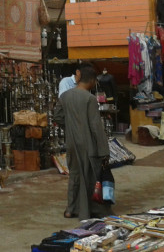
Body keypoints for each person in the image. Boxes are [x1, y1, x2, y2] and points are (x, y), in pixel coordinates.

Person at [53, 64, 111, 220]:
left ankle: (70, 209)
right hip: (88, 143)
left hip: (72, 142)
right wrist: (104, 150)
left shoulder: (65, 96)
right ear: (92, 81)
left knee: (75, 175)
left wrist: (70, 127)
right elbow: (96, 127)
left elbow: (57, 116)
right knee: (90, 175)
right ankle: (88, 210)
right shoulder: (90, 99)